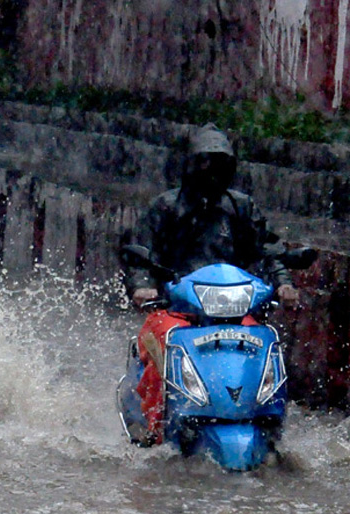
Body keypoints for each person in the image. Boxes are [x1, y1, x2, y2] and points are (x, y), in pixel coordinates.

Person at [121, 123, 299, 445]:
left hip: (232, 309)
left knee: (265, 341)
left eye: (219, 164)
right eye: (204, 162)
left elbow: (269, 249)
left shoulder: (242, 208)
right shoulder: (165, 207)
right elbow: (139, 254)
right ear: (189, 165)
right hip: (174, 309)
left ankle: (269, 419)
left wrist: (284, 283)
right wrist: (142, 287)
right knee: (160, 341)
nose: (210, 171)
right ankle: (153, 427)